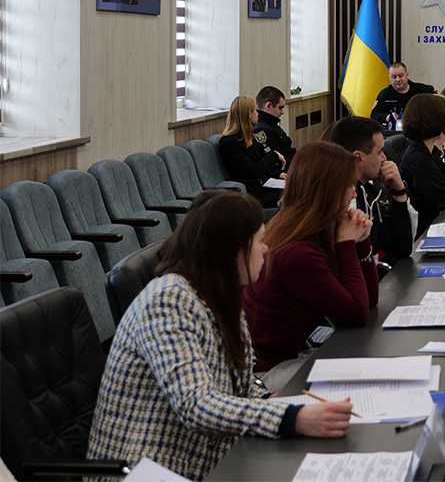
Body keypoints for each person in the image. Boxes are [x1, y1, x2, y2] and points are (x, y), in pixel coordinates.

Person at [87, 191, 352, 480]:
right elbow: (195, 404)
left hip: (206, 456)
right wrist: (290, 418)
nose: (266, 249)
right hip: (152, 468)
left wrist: (273, 400)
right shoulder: (167, 301)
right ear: (232, 250)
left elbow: (241, 383)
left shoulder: (221, 294)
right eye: (259, 240)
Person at [246, 142, 378, 380]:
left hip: (288, 357)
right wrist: (347, 243)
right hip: (263, 373)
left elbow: (369, 301)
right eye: (348, 186)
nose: (353, 194)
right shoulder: (296, 251)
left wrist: (361, 240)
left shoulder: (311, 231)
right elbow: (357, 314)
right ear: (328, 191)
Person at [328, 115, 413, 263]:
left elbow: (401, 248)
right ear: (358, 157)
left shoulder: (368, 191)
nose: (384, 158)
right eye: (379, 152)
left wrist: (399, 191)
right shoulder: (342, 200)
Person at [399, 93, 445, 236]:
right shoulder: (419, 159)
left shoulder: (431, 151)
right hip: (426, 232)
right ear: (434, 120)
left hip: (436, 222)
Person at [218, 95, 285, 208]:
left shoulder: (247, 137)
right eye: (255, 110)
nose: (258, 114)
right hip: (251, 193)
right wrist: (274, 155)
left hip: (260, 185)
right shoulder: (230, 143)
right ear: (249, 114)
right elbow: (254, 171)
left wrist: (278, 174)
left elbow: (258, 163)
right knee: (293, 195)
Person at [370, 62, 435, 129]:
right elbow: (374, 115)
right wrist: (387, 117)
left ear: (407, 75)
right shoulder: (385, 94)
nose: (398, 79)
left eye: (401, 76)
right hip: (393, 133)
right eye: (394, 77)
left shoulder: (423, 90)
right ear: (389, 78)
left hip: (419, 131)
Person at [254, 85, 295, 165]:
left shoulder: (271, 123)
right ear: (268, 106)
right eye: (280, 108)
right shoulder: (262, 129)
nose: (282, 112)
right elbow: (277, 161)